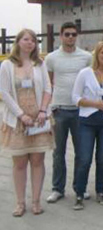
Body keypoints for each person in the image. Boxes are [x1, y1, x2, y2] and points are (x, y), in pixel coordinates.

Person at [0, 29, 53, 217]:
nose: (29, 43)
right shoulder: (7, 65)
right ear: (18, 42)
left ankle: (36, 201)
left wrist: (43, 111)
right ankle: (20, 202)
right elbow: (4, 93)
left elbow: (47, 88)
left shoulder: (40, 64)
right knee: (20, 162)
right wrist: (21, 115)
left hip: (38, 119)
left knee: (38, 160)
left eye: (33, 40)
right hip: (18, 120)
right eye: (25, 39)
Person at [45, 22, 92, 204]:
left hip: (80, 111)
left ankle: (80, 187)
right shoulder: (51, 58)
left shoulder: (86, 57)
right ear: (60, 36)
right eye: (67, 34)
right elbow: (50, 84)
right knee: (58, 152)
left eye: (73, 34)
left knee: (82, 152)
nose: (70, 37)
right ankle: (58, 189)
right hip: (60, 110)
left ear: (77, 35)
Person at [72, 41, 103, 210]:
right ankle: (79, 192)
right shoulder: (85, 73)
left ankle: (100, 191)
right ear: (97, 54)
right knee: (85, 159)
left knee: (102, 159)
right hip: (87, 121)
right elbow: (76, 98)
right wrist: (95, 103)